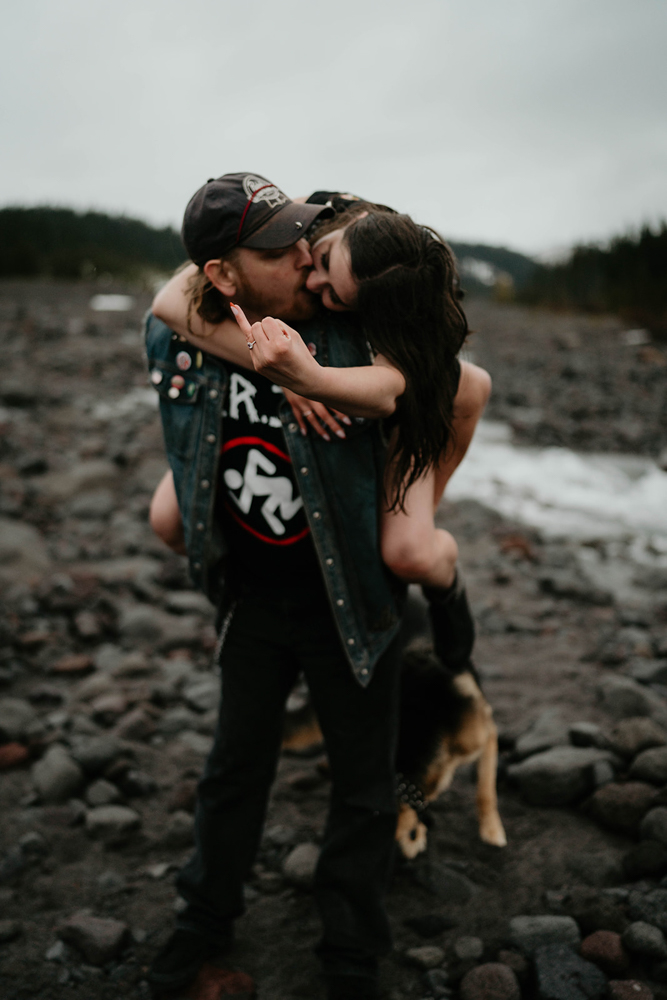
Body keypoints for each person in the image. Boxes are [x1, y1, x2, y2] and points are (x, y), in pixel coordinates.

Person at [145, 173, 409, 1000]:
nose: (303, 254)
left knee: (364, 785)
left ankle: (349, 952)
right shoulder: (183, 338)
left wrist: (316, 382)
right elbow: (167, 311)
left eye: (303, 234)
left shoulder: (348, 328)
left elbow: (454, 384)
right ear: (223, 275)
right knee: (232, 770)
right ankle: (203, 919)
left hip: (352, 601)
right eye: (277, 247)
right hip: (253, 599)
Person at [151, 188, 491, 674]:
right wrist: (284, 378)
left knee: (408, 553)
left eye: (333, 294)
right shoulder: (316, 218)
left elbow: (391, 388)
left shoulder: (402, 294)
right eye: (322, 258)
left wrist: (309, 378)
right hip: (306, 386)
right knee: (168, 519)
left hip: (421, 401)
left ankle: (446, 597)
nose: (311, 278)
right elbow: (168, 301)